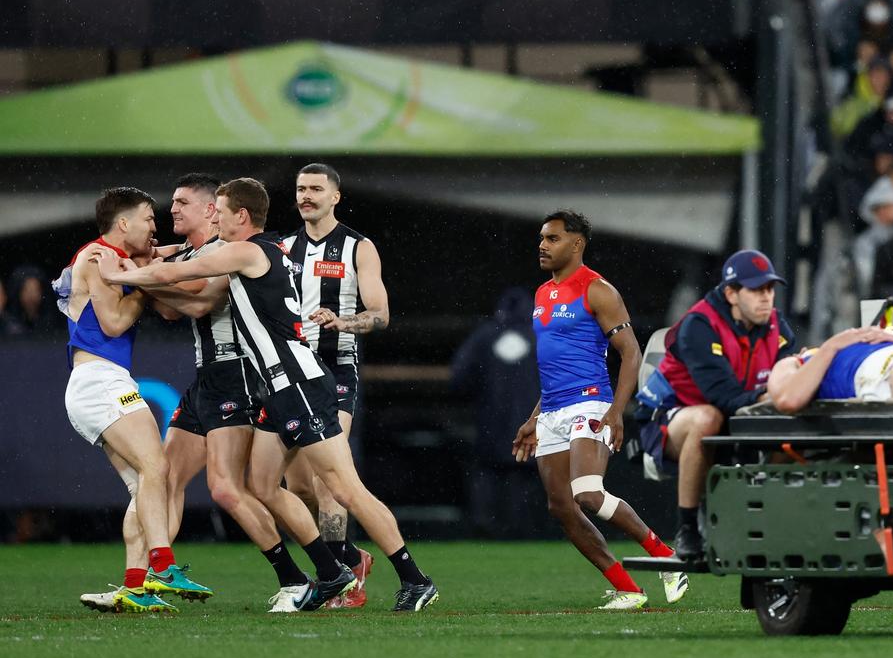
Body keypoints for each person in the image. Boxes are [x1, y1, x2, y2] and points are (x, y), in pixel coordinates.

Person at [95, 177, 439, 612]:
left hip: (298, 382)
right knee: (262, 485)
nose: (213, 218)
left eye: (219, 211)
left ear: (241, 217)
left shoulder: (248, 249)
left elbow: (176, 272)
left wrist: (114, 272)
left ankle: (414, 577)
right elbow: (179, 263)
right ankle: (332, 573)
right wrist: (149, 258)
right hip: (274, 387)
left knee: (344, 489)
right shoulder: (259, 250)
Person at [511, 210, 688, 610]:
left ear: (577, 244)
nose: (542, 245)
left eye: (553, 238)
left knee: (588, 494)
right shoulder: (542, 294)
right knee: (561, 507)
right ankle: (628, 588)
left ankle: (665, 555)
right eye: (541, 237)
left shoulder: (597, 289)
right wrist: (535, 417)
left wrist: (616, 411)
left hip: (590, 402)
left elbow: (631, 353)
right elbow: (555, 364)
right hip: (553, 411)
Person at [58, 187, 213, 613]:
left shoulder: (111, 253)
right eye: (148, 218)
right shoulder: (97, 257)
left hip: (97, 381)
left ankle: (133, 586)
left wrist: (178, 249)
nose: (154, 226)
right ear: (123, 223)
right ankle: (162, 567)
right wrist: (142, 287)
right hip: (101, 380)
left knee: (145, 486)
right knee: (157, 466)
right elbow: (112, 323)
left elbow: (157, 253)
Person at [635, 249, 797, 562]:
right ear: (731, 293)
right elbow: (723, 397)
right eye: (756, 290)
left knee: (791, 420)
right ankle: (687, 529)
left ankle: (767, 521)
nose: (766, 298)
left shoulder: (777, 326)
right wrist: (775, 394)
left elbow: (788, 373)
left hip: (737, 414)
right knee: (707, 418)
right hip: (668, 418)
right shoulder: (700, 325)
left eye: (770, 289)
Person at [278, 163, 382, 608]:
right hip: (291, 372)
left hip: (336, 369)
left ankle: (342, 580)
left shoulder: (359, 246)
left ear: (335, 196)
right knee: (295, 485)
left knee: (328, 482)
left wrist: (344, 322)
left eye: (316, 189)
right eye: (301, 189)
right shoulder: (281, 248)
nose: (307, 196)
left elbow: (380, 312)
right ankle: (352, 558)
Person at [450, 287, 543, 538]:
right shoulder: (540, 338)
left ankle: (484, 528)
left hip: (490, 420)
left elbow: (458, 377)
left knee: (487, 471)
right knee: (522, 473)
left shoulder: (484, 336)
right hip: (531, 421)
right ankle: (520, 530)